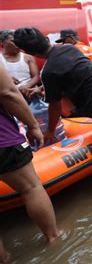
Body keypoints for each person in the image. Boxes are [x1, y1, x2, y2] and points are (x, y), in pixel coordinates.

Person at [13, 27, 92, 186]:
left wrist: (50, 131)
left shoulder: (49, 70)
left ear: (30, 52)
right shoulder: (69, 48)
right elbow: (74, 75)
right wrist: (41, 88)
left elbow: (55, 106)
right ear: (44, 39)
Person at [0, 61, 62, 243]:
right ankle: (53, 237)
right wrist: (33, 125)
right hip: (3, 141)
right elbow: (8, 93)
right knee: (31, 188)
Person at [0, 30, 40, 98]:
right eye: (13, 41)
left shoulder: (28, 57)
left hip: (28, 93)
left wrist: (26, 86)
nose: (18, 44)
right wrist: (5, 79)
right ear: (2, 42)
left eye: (18, 41)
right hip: (7, 96)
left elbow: (36, 77)